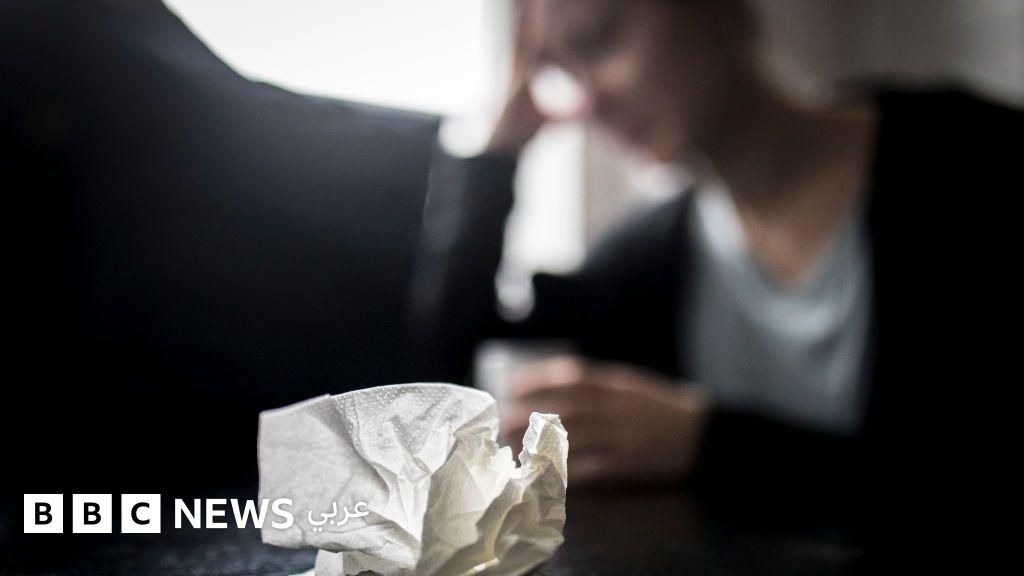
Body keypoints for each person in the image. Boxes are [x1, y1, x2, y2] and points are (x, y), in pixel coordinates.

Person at [406, 0, 1019, 561]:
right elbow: (440, 385)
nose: (588, 100)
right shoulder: (648, 258)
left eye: (603, 39)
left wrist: (709, 445)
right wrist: (498, 152)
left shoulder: (974, 161)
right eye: (560, 69)